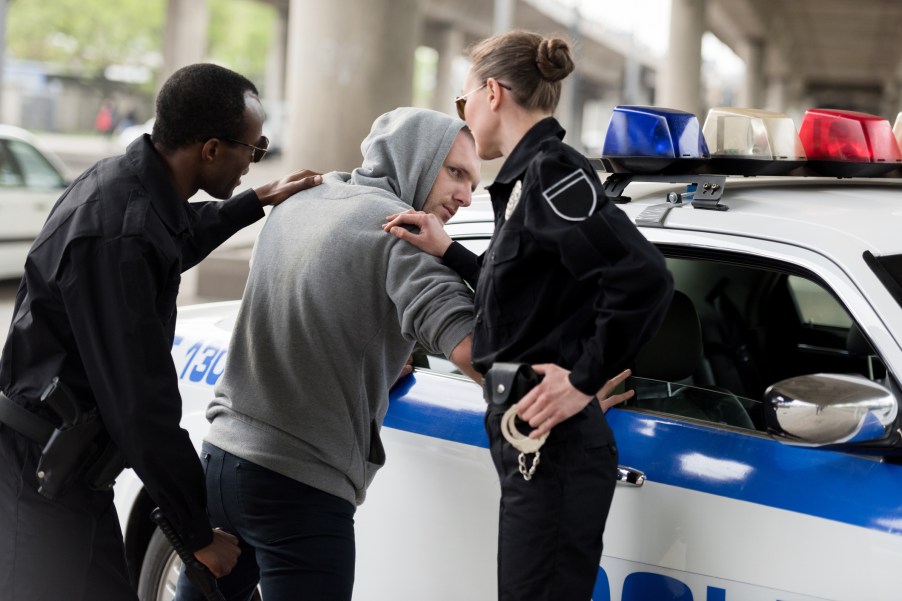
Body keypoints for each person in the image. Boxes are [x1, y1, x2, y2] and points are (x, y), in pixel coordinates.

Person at [0, 63, 322, 601]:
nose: (254, 159)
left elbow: (172, 237)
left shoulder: (128, 188)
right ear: (212, 150)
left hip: (72, 472)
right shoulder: (117, 234)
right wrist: (195, 534)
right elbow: (141, 404)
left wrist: (254, 202)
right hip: (37, 479)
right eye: (254, 148)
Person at [384, 31, 673, 600]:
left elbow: (643, 277)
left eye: (462, 102)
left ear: (492, 93)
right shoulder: (526, 178)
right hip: (532, 440)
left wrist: (583, 379)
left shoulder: (552, 172)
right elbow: (527, 294)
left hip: (553, 441)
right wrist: (449, 251)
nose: (462, 115)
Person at [173, 107, 482, 601]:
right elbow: (476, 353)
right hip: (300, 489)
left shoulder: (301, 199)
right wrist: (560, 398)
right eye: (456, 172)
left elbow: (313, 309)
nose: (466, 196)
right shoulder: (400, 234)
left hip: (221, 462)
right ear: (417, 158)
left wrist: (372, 367)